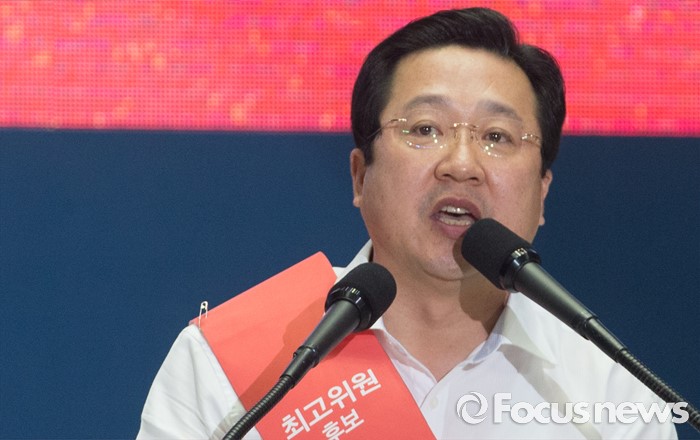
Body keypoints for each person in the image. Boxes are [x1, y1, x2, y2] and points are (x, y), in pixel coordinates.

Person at [137, 7, 677, 439]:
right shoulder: (234, 366)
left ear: (542, 194)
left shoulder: (612, 396)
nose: (461, 164)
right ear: (359, 176)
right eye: (424, 129)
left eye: (496, 136)